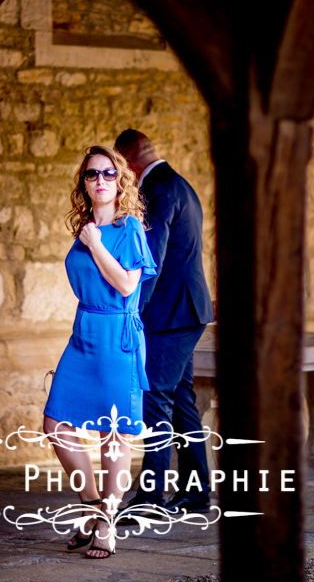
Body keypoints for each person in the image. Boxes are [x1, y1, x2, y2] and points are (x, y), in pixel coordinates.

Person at [42, 146, 156, 560]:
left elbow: (127, 286)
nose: (101, 181)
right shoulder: (85, 226)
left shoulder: (130, 229)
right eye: (92, 175)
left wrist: (94, 244)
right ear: (84, 183)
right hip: (83, 333)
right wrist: (89, 238)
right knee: (56, 424)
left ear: (120, 180)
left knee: (114, 436)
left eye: (109, 174)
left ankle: (107, 524)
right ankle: (93, 508)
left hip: (117, 336)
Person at [114, 129, 215, 514]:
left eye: (120, 166)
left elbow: (148, 263)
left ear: (129, 158)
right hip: (185, 312)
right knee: (181, 401)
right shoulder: (178, 184)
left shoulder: (157, 190)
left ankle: (150, 496)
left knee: (154, 398)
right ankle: (196, 490)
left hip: (170, 316)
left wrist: (133, 312)